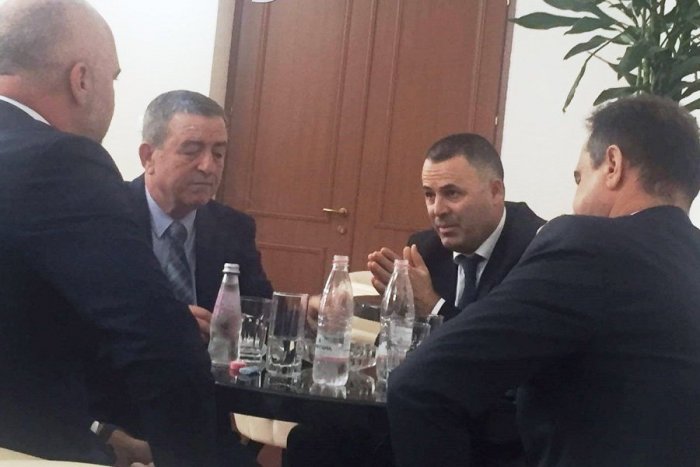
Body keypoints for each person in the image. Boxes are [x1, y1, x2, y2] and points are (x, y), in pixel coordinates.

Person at [388, 94, 700, 467]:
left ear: (613, 165)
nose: (575, 198)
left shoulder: (588, 246)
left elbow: (420, 384)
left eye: (580, 178)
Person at [0, 1, 217, 465]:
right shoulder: (61, 162)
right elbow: (156, 341)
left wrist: (106, 433)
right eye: (113, 78)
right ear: (81, 80)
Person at [368, 133, 544, 322]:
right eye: (429, 195)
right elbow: (393, 337)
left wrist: (431, 306)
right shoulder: (424, 250)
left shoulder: (536, 250)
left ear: (495, 192)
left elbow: (501, 336)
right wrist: (397, 308)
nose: (437, 210)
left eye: (452, 193)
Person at [127, 90, 273, 313]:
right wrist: (169, 321)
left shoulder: (233, 227)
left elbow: (259, 308)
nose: (208, 167)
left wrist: (304, 308)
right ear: (148, 157)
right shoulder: (109, 214)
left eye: (218, 154)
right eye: (191, 151)